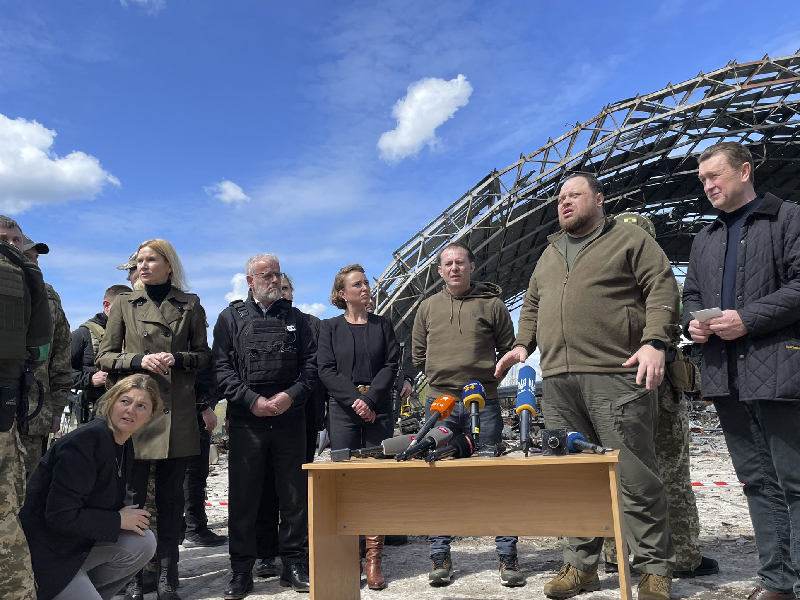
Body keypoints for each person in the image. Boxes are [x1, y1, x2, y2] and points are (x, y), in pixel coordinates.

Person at [495, 173, 678, 600]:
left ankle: (653, 569)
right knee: (574, 479)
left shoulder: (628, 239)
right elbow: (535, 304)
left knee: (635, 476)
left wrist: (655, 341)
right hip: (558, 380)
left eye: (574, 195)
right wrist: (524, 345)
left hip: (615, 375)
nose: (564, 202)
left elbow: (662, 284)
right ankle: (580, 566)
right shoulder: (550, 253)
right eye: (560, 198)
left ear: (599, 198)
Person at [683, 142, 800, 600]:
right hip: (725, 375)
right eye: (704, 180)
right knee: (755, 483)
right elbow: (690, 294)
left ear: (745, 170)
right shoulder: (706, 238)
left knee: (793, 482)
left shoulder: (787, 218)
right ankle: (776, 581)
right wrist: (691, 320)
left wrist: (748, 318)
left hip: (777, 368)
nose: (709, 186)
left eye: (716, 176)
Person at [601, 213, 718, 579]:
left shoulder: (597, 279)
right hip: (659, 388)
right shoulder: (662, 277)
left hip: (611, 388)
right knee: (670, 473)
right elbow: (684, 320)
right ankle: (681, 556)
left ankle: (615, 552)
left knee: (615, 472)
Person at [96, 239, 211, 600]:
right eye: (139, 261)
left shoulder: (189, 304)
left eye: (151, 260)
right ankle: (131, 579)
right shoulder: (124, 304)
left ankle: (167, 578)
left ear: (169, 265)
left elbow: (204, 357)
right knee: (132, 501)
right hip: (136, 415)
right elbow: (105, 356)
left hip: (175, 414)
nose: (143, 266)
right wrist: (138, 361)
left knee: (171, 501)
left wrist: (177, 358)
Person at [411, 242, 522, 588]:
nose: (455, 268)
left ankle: (507, 557)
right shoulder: (427, 308)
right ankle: (440, 555)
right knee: (438, 480)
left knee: (495, 479)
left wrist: (493, 374)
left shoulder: (492, 304)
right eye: (448, 264)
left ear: (472, 266)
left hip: (484, 403)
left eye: (461, 262)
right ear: (440, 271)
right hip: (440, 406)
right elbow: (417, 356)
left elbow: (509, 348)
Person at [212, 254, 316, 598]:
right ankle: (241, 571)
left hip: (290, 420)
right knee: (244, 499)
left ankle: (294, 565)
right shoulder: (230, 318)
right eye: (266, 275)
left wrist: (289, 396)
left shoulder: (297, 319)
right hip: (247, 422)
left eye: (277, 275)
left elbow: (312, 367)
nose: (273, 280)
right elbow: (221, 369)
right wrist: (250, 400)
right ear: (250, 281)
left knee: (293, 496)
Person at [19, 374, 162, 600]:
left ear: (150, 416)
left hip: (76, 545)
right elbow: (58, 515)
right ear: (111, 402)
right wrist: (118, 520)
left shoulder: (124, 443)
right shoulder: (83, 443)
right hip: (46, 553)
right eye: (125, 401)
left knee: (143, 541)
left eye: (141, 406)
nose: (131, 410)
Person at [317, 264, 399, 590]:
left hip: (378, 410)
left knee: (375, 482)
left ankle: (374, 557)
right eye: (358, 284)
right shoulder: (330, 328)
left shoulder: (383, 325)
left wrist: (372, 400)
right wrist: (354, 400)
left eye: (366, 283)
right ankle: (350, 554)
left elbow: (392, 365)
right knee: (346, 481)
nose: (365, 288)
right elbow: (325, 369)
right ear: (342, 293)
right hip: (342, 411)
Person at [0, 215, 53, 600]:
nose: (12, 246)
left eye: (16, 240)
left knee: (17, 508)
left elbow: (51, 355)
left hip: (19, 411)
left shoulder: (38, 287)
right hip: (12, 408)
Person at [19, 235, 72, 478]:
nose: (30, 262)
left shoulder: (49, 297)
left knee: (28, 493)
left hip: (33, 414)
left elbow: (61, 358)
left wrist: (56, 409)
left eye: (34, 258)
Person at [181, 356, 227, 548]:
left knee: (194, 476)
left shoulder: (202, 349)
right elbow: (190, 381)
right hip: (192, 420)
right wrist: (204, 407)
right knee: (193, 476)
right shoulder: (191, 346)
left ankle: (190, 527)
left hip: (194, 418)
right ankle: (194, 530)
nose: (206, 323)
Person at [71, 285, 133, 424]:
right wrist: (90, 379)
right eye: (122, 307)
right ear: (106, 306)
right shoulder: (83, 334)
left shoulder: (134, 334)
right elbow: (61, 373)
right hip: (94, 414)